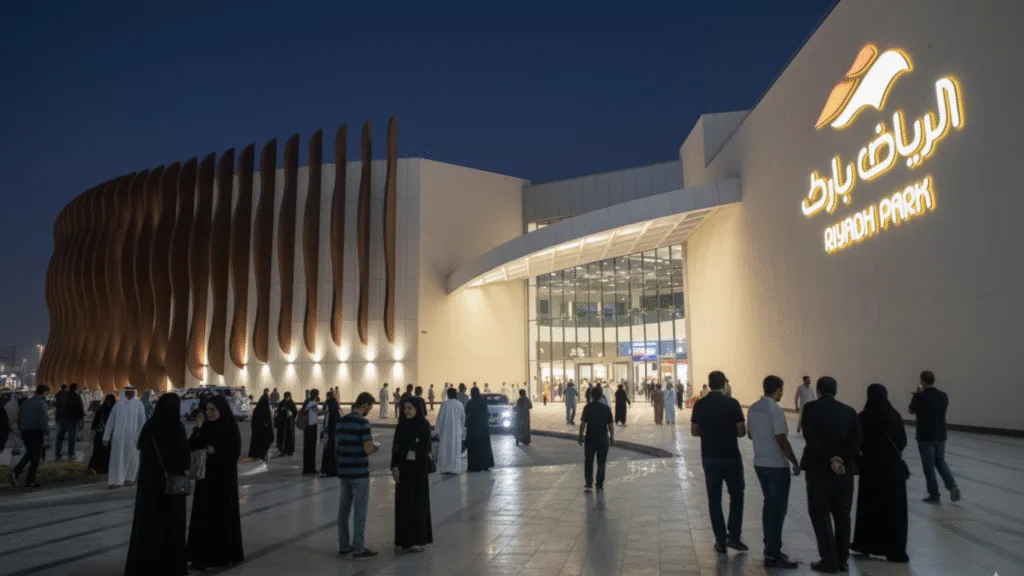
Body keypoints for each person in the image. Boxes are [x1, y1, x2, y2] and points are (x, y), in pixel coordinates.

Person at [800, 376, 861, 574]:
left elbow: (810, 437)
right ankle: (843, 560)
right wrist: (840, 458)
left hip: (819, 471)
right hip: (844, 473)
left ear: (817, 390)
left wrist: (830, 457)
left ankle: (829, 560)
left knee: (820, 514)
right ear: (836, 390)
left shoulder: (810, 409)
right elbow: (856, 441)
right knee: (843, 515)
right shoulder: (850, 412)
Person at [124, 393, 190, 576]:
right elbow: (185, 461)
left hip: (150, 486)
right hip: (171, 488)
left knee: (149, 526)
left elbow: (143, 453)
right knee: (171, 527)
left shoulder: (150, 427)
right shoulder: (177, 428)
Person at [851, 384, 909, 563]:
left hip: (872, 469)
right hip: (893, 471)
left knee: (870, 508)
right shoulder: (895, 416)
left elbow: (858, 442)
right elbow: (902, 442)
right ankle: (895, 549)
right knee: (894, 511)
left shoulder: (864, 417)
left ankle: (866, 544)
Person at [691, 371, 747, 554]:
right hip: (731, 456)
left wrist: (708, 432)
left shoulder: (700, 404)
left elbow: (694, 431)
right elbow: (741, 432)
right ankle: (734, 537)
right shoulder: (733, 403)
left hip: (709, 457)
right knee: (737, 496)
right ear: (724, 384)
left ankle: (720, 540)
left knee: (714, 499)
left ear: (709, 384)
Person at [747, 376, 801, 569]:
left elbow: (750, 434)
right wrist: (794, 462)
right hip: (776, 466)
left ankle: (770, 547)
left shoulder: (753, 408)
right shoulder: (774, 409)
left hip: (760, 463)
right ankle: (773, 554)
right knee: (778, 510)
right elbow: (781, 440)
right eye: (782, 390)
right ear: (778, 389)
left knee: (769, 506)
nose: (782, 393)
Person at [187, 395, 243, 569]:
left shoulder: (229, 428)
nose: (209, 413)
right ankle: (199, 556)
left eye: (213, 410)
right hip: (205, 481)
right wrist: (197, 428)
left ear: (221, 410)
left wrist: (215, 451)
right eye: (207, 410)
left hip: (223, 481)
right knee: (203, 516)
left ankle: (219, 556)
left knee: (219, 518)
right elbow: (192, 446)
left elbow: (233, 452)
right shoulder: (206, 427)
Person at [335, 392, 379, 560]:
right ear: (365, 405)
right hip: (359, 472)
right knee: (360, 510)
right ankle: (359, 548)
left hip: (344, 471)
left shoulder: (341, 421)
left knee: (343, 510)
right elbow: (368, 449)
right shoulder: (363, 423)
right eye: (370, 407)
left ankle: (344, 546)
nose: (369, 410)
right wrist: (375, 448)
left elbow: (338, 446)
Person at [909, 370, 960, 504]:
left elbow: (911, 410)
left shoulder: (920, 397)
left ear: (923, 381)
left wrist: (917, 394)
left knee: (929, 466)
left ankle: (934, 494)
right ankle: (952, 486)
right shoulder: (943, 396)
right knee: (940, 461)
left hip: (926, 436)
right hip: (941, 434)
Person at [391, 398, 434, 552]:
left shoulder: (424, 425)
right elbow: (396, 447)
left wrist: (411, 444)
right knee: (403, 504)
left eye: (409, 408)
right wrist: (394, 467)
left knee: (418, 503)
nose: (406, 411)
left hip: (418, 469)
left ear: (417, 409)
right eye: (405, 408)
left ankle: (418, 539)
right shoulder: (401, 425)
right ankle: (404, 540)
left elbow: (425, 445)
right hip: (404, 468)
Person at [104, 386, 147, 489]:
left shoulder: (139, 405)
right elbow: (110, 421)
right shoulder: (118, 404)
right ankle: (116, 481)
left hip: (133, 437)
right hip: (119, 437)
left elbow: (142, 422)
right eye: (128, 392)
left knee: (132, 458)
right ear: (125, 392)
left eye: (132, 392)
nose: (130, 394)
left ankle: (129, 478)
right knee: (117, 458)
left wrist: (140, 436)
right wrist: (106, 437)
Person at [8, 385, 49, 488]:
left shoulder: (26, 403)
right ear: (44, 393)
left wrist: (21, 430)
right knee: (35, 457)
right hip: (36, 431)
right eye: (47, 393)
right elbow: (42, 419)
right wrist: (46, 432)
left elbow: (20, 417)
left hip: (25, 432)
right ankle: (29, 480)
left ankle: (15, 473)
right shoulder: (41, 403)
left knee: (31, 453)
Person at [578, 385, 613, 492]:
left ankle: (589, 483)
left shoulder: (587, 407)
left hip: (590, 438)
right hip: (603, 438)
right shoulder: (606, 408)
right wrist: (612, 436)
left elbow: (583, 424)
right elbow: (611, 424)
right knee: (601, 462)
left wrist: (580, 436)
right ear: (601, 395)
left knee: (589, 461)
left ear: (591, 396)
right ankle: (599, 485)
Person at [435, 388, 466, 474]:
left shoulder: (445, 404)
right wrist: (461, 431)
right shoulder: (460, 404)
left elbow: (440, 418)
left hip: (445, 432)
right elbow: (463, 419)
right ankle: (455, 469)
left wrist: (437, 431)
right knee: (455, 450)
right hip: (457, 432)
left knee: (445, 450)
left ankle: (445, 468)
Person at [464, 388, 495, 471]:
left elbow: (466, 412)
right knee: (484, 446)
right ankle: (486, 464)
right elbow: (486, 414)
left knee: (473, 447)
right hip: (483, 427)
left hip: (473, 428)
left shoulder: (470, 402)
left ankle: (474, 466)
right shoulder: (483, 402)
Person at [87, 394, 117, 474]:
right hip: (111, 435)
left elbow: (95, 423)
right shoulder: (115, 410)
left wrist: (93, 430)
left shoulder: (101, 409)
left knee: (98, 451)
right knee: (108, 452)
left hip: (100, 433)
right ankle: (106, 469)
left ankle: (95, 467)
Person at [56, 382, 85, 461]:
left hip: (63, 419)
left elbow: (59, 407)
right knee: (72, 437)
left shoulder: (64, 395)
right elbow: (80, 408)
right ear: (76, 388)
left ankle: (58, 454)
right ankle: (71, 453)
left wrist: (58, 418)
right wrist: (81, 420)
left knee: (60, 437)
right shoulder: (76, 396)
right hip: (72, 419)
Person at [248, 390, 274, 460]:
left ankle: (258, 454)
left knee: (258, 442)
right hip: (262, 430)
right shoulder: (265, 410)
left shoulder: (257, 410)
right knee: (264, 441)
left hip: (258, 431)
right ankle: (262, 454)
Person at [320, 390, 341, 477]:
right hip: (334, 436)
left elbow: (326, 426)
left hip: (329, 436)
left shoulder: (329, 413)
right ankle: (334, 470)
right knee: (334, 452)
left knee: (328, 452)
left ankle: (328, 470)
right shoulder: (336, 412)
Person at [303, 389, 321, 475]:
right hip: (312, 427)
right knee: (312, 448)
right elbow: (318, 412)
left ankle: (306, 469)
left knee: (307, 448)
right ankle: (311, 469)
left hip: (307, 427)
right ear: (316, 395)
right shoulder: (313, 404)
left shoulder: (307, 402)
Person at [275, 392, 296, 456]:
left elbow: (295, 412)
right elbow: (278, 411)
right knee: (282, 437)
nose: (287, 398)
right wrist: (282, 410)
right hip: (282, 423)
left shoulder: (292, 403)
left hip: (290, 423)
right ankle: (282, 451)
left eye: (288, 397)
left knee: (290, 437)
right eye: (286, 397)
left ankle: (290, 451)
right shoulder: (281, 403)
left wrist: (291, 413)